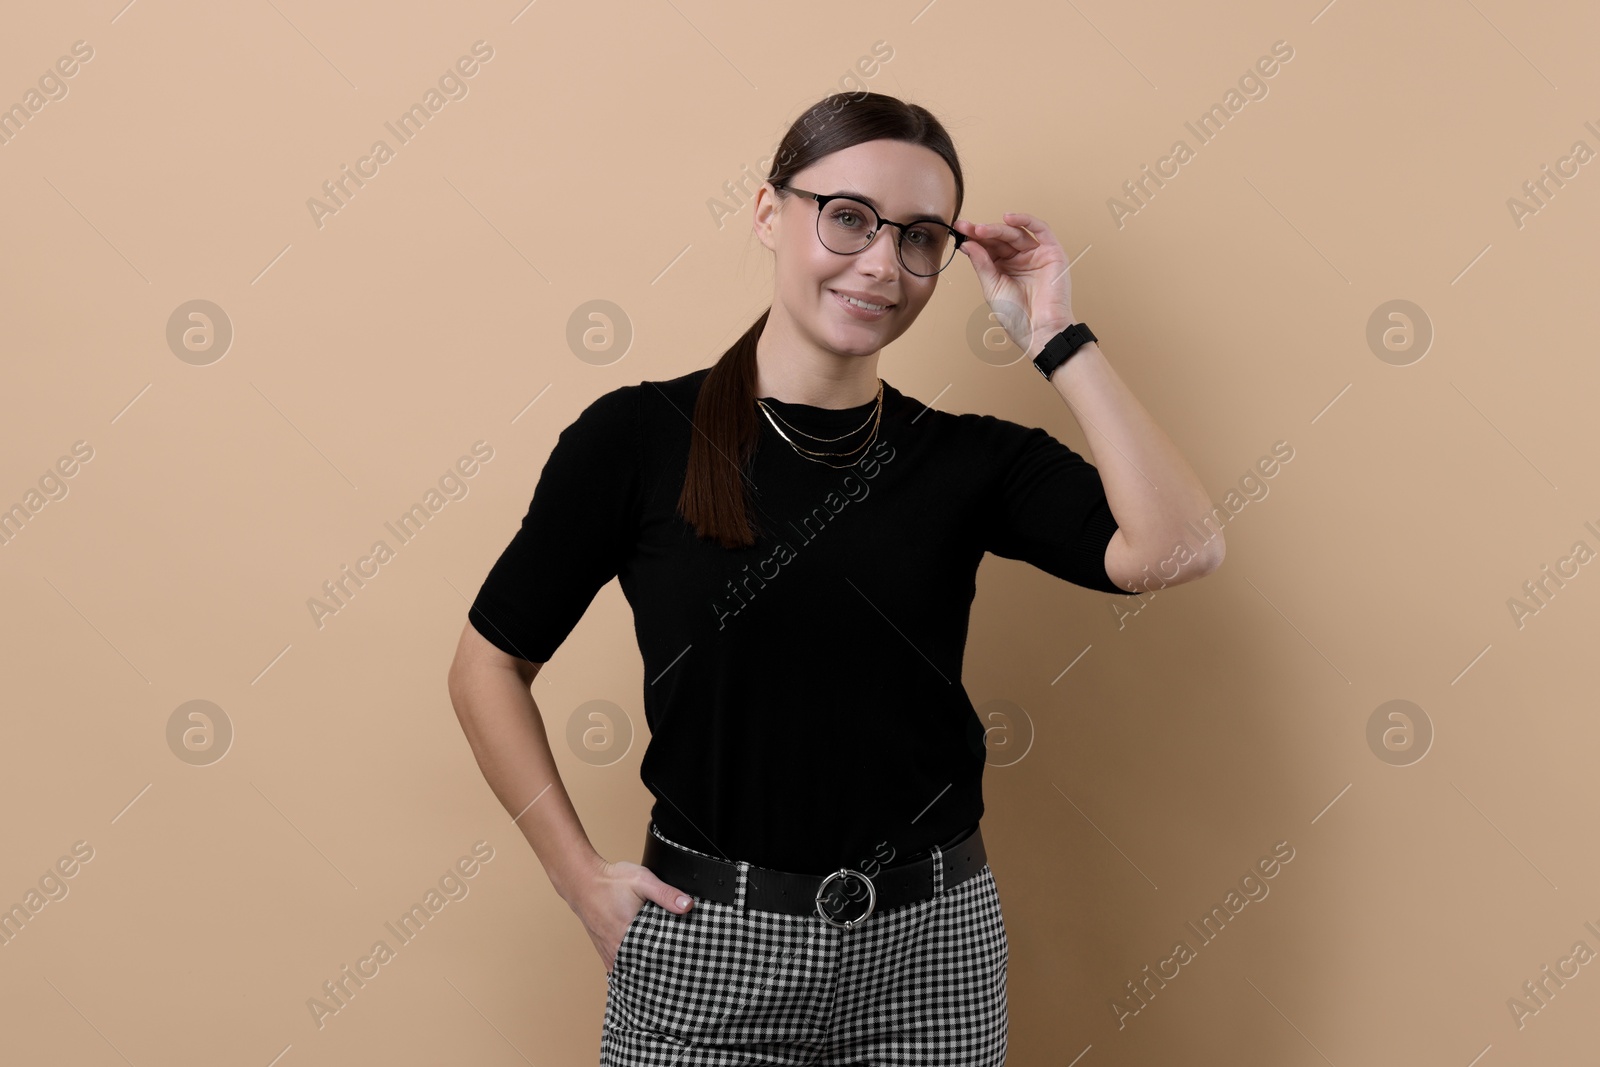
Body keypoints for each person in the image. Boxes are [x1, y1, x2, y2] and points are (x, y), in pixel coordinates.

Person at [447, 90, 1223, 1065]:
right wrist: (576, 876)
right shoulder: (638, 440)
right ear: (771, 212)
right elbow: (486, 663)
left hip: (932, 957)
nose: (880, 264)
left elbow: (1177, 547)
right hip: (710, 950)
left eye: (920, 238)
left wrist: (1054, 334)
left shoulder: (965, 460)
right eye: (848, 217)